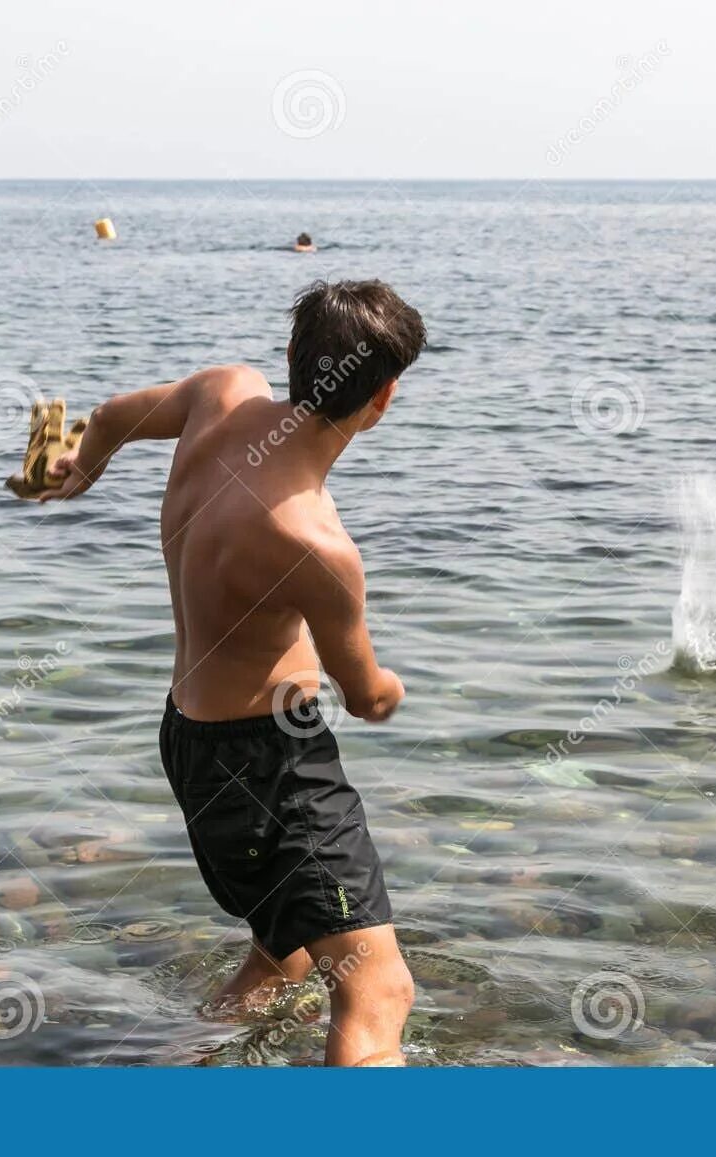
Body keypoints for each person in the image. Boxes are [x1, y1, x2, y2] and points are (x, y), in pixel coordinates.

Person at [39, 279, 427, 1066]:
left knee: (280, 956)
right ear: (384, 397)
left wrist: (82, 463)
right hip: (272, 767)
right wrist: (393, 689)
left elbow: (110, 414)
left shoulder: (220, 393)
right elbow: (364, 695)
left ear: (289, 356)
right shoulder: (315, 544)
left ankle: (181, 1073)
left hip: (187, 740)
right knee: (377, 989)